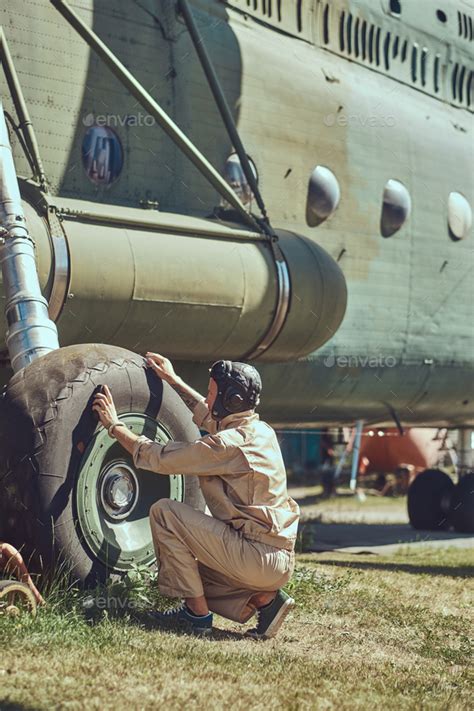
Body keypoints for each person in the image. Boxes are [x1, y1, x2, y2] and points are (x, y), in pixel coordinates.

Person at [92, 353, 300, 639]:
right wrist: (172, 379)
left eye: (213, 393)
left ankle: (196, 617)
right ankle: (266, 600)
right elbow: (208, 414)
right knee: (186, 573)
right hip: (274, 559)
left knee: (165, 513)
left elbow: (160, 458)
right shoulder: (258, 430)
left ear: (231, 401)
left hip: (256, 556)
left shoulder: (228, 445)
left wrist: (115, 426)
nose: (208, 398)